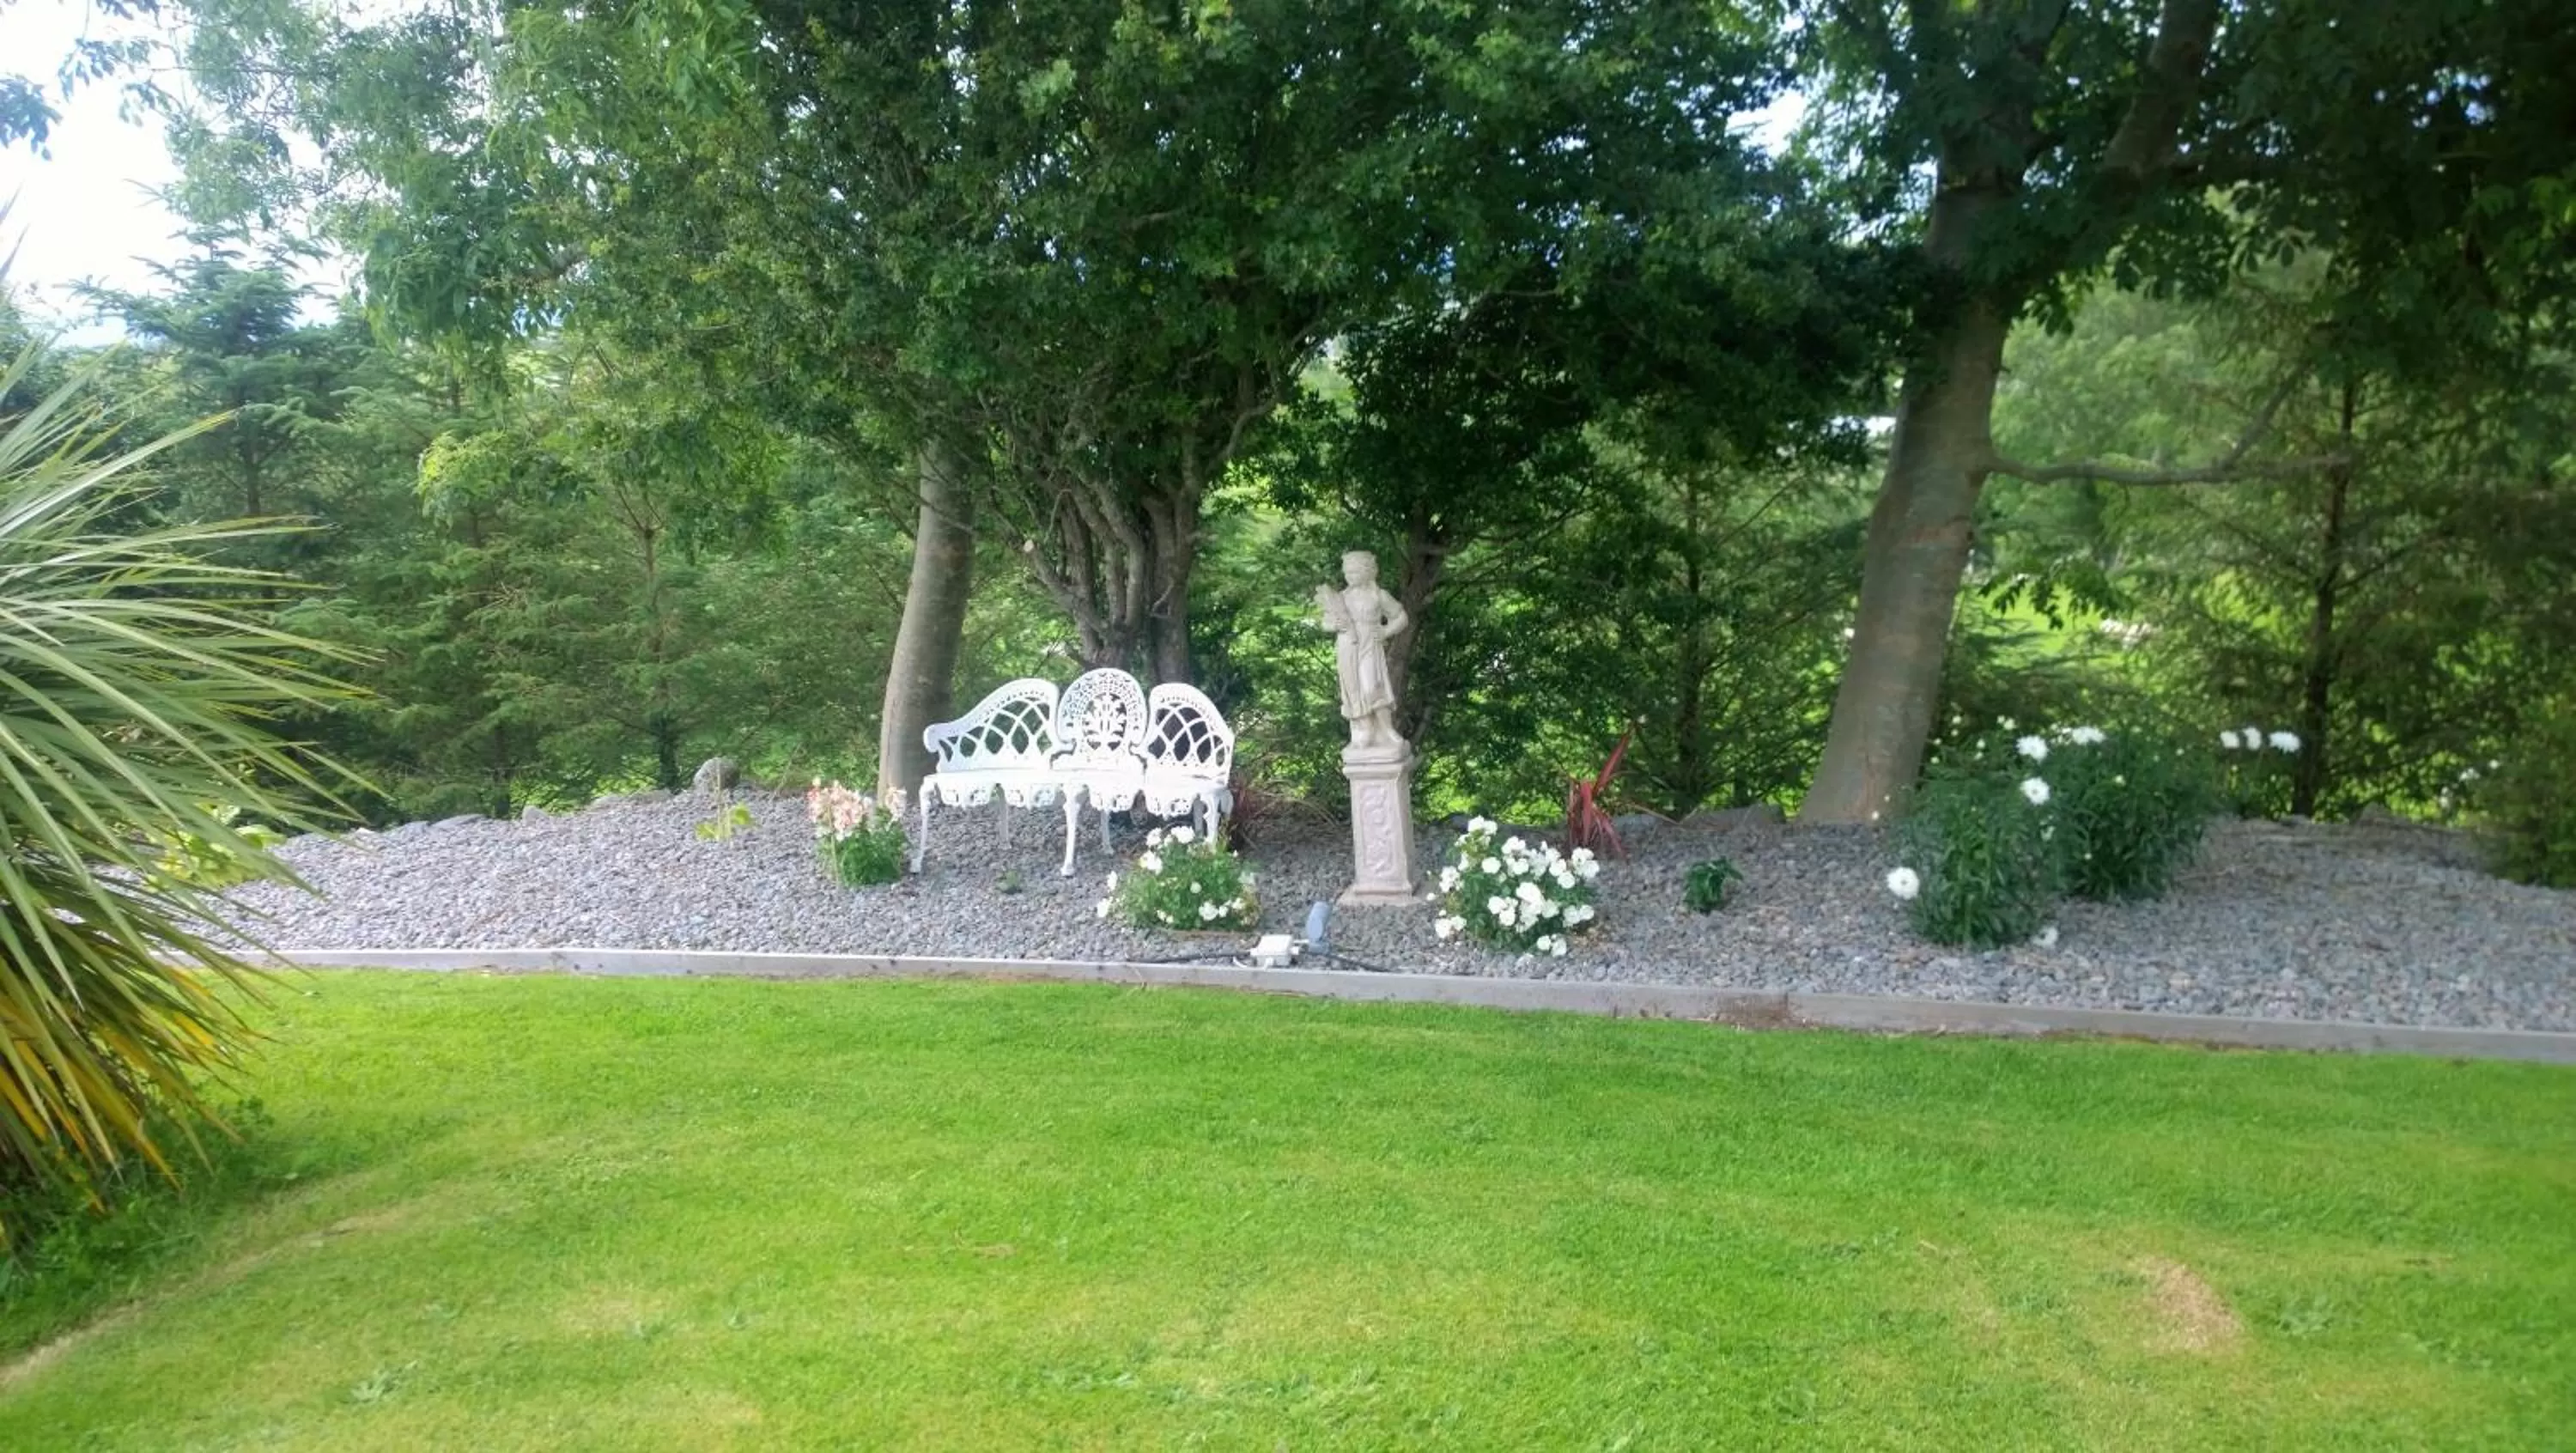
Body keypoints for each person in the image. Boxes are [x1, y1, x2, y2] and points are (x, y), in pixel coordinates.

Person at [1314, 550, 1410, 757]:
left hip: (1369, 645)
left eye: (1355, 572)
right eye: (1347, 572)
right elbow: (1326, 622)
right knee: (1353, 688)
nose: (1349, 576)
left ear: (1368, 572)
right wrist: (1334, 625)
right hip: (1347, 645)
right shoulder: (1341, 598)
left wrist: (1386, 631)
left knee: (1372, 686)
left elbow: (1401, 617)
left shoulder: (1378, 595)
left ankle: (1386, 729)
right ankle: (1364, 730)